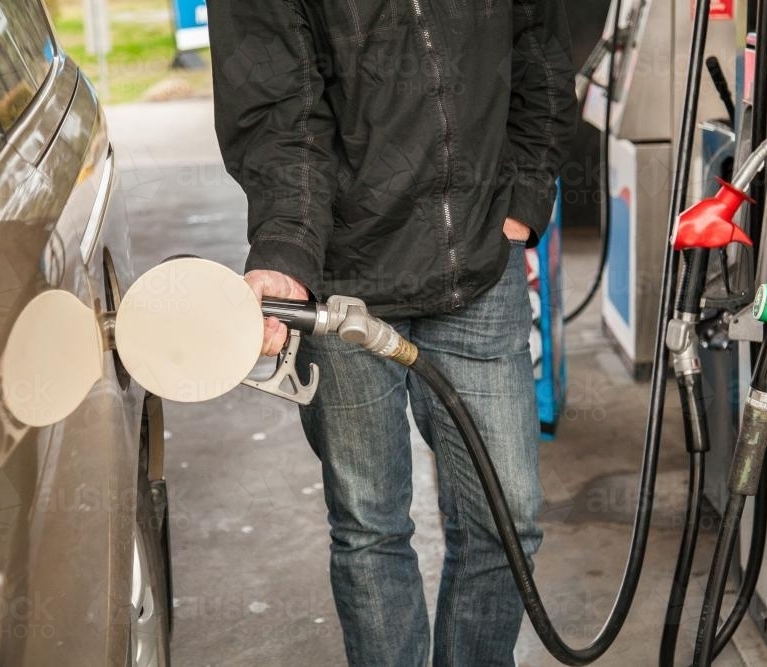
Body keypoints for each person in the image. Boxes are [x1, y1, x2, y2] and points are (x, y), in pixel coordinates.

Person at [207, 2, 576, 664]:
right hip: (345, 278)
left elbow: (540, 39)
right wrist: (286, 253)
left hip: (478, 265)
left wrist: (524, 195)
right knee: (370, 526)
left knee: (507, 521)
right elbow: (276, 111)